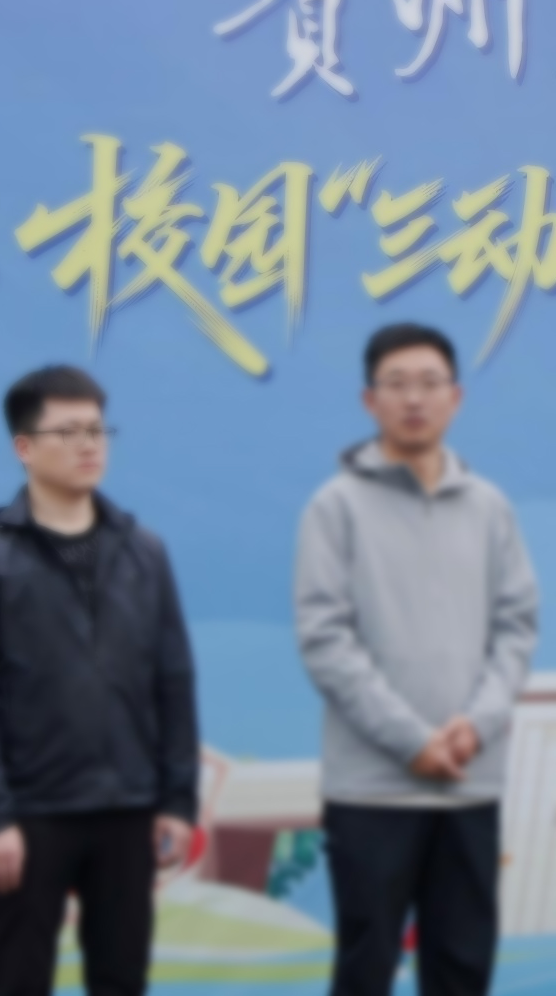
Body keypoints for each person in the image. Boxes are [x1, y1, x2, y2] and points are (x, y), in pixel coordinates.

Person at [0, 365, 200, 996]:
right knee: (19, 977)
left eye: (97, 430)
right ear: (25, 447)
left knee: (121, 978)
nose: (89, 445)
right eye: (69, 431)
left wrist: (177, 800)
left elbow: (173, 680)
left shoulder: (143, 551)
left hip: (128, 807)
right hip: (31, 814)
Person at [295, 323, 538, 996]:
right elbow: (324, 638)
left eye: (429, 384)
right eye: (395, 384)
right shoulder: (334, 507)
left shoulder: (489, 508)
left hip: (468, 781)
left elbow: (515, 626)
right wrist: (411, 741)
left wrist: (475, 725)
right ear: (368, 400)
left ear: (455, 397)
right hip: (371, 788)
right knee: (366, 968)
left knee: (461, 969)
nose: (413, 399)